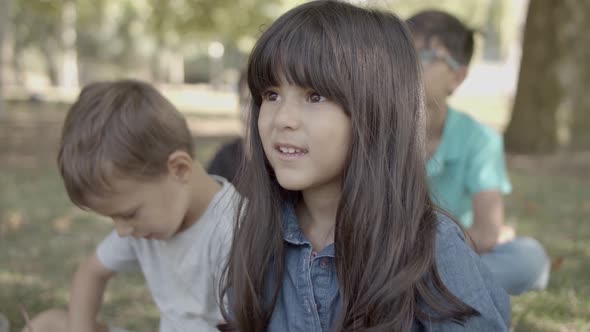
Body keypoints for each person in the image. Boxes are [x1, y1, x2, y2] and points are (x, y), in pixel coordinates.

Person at [217, 1, 510, 331]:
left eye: (314, 96)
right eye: (271, 95)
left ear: (376, 111)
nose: (282, 119)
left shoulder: (433, 250)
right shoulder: (258, 238)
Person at [22, 80, 238, 332]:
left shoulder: (233, 232)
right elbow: (91, 272)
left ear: (179, 169)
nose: (123, 231)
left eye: (128, 214)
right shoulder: (146, 225)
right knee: (49, 324)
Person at [407, 10, 550, 296]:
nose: (407, 65)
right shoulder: (374, 129)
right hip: (387, 256)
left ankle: (424, 290)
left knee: (529, 257)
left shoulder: (480, 139)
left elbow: (486, 234)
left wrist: (482, 239)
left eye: (425, 56)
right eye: (400, 53)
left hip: (450, 255)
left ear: (458, 77)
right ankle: (435, 291)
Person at [207, 71, 249, 185]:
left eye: (258, 104)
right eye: (246, 102)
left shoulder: (282, 165)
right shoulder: (223, 159)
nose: (251, 112)